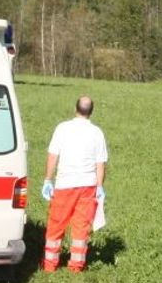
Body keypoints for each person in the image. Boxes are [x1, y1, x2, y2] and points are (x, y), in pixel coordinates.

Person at [40, 95, 108, 273]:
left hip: (64, 184)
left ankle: (49, 265)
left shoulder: (62, 128)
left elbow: (53, 155)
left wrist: (48, 179)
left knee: (56, 224)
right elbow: (100, 164)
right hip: (87, 186)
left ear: (75, 109)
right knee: (81, 228)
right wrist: (99, 186)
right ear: (91, 112)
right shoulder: (97, 132)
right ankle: (76, 267)